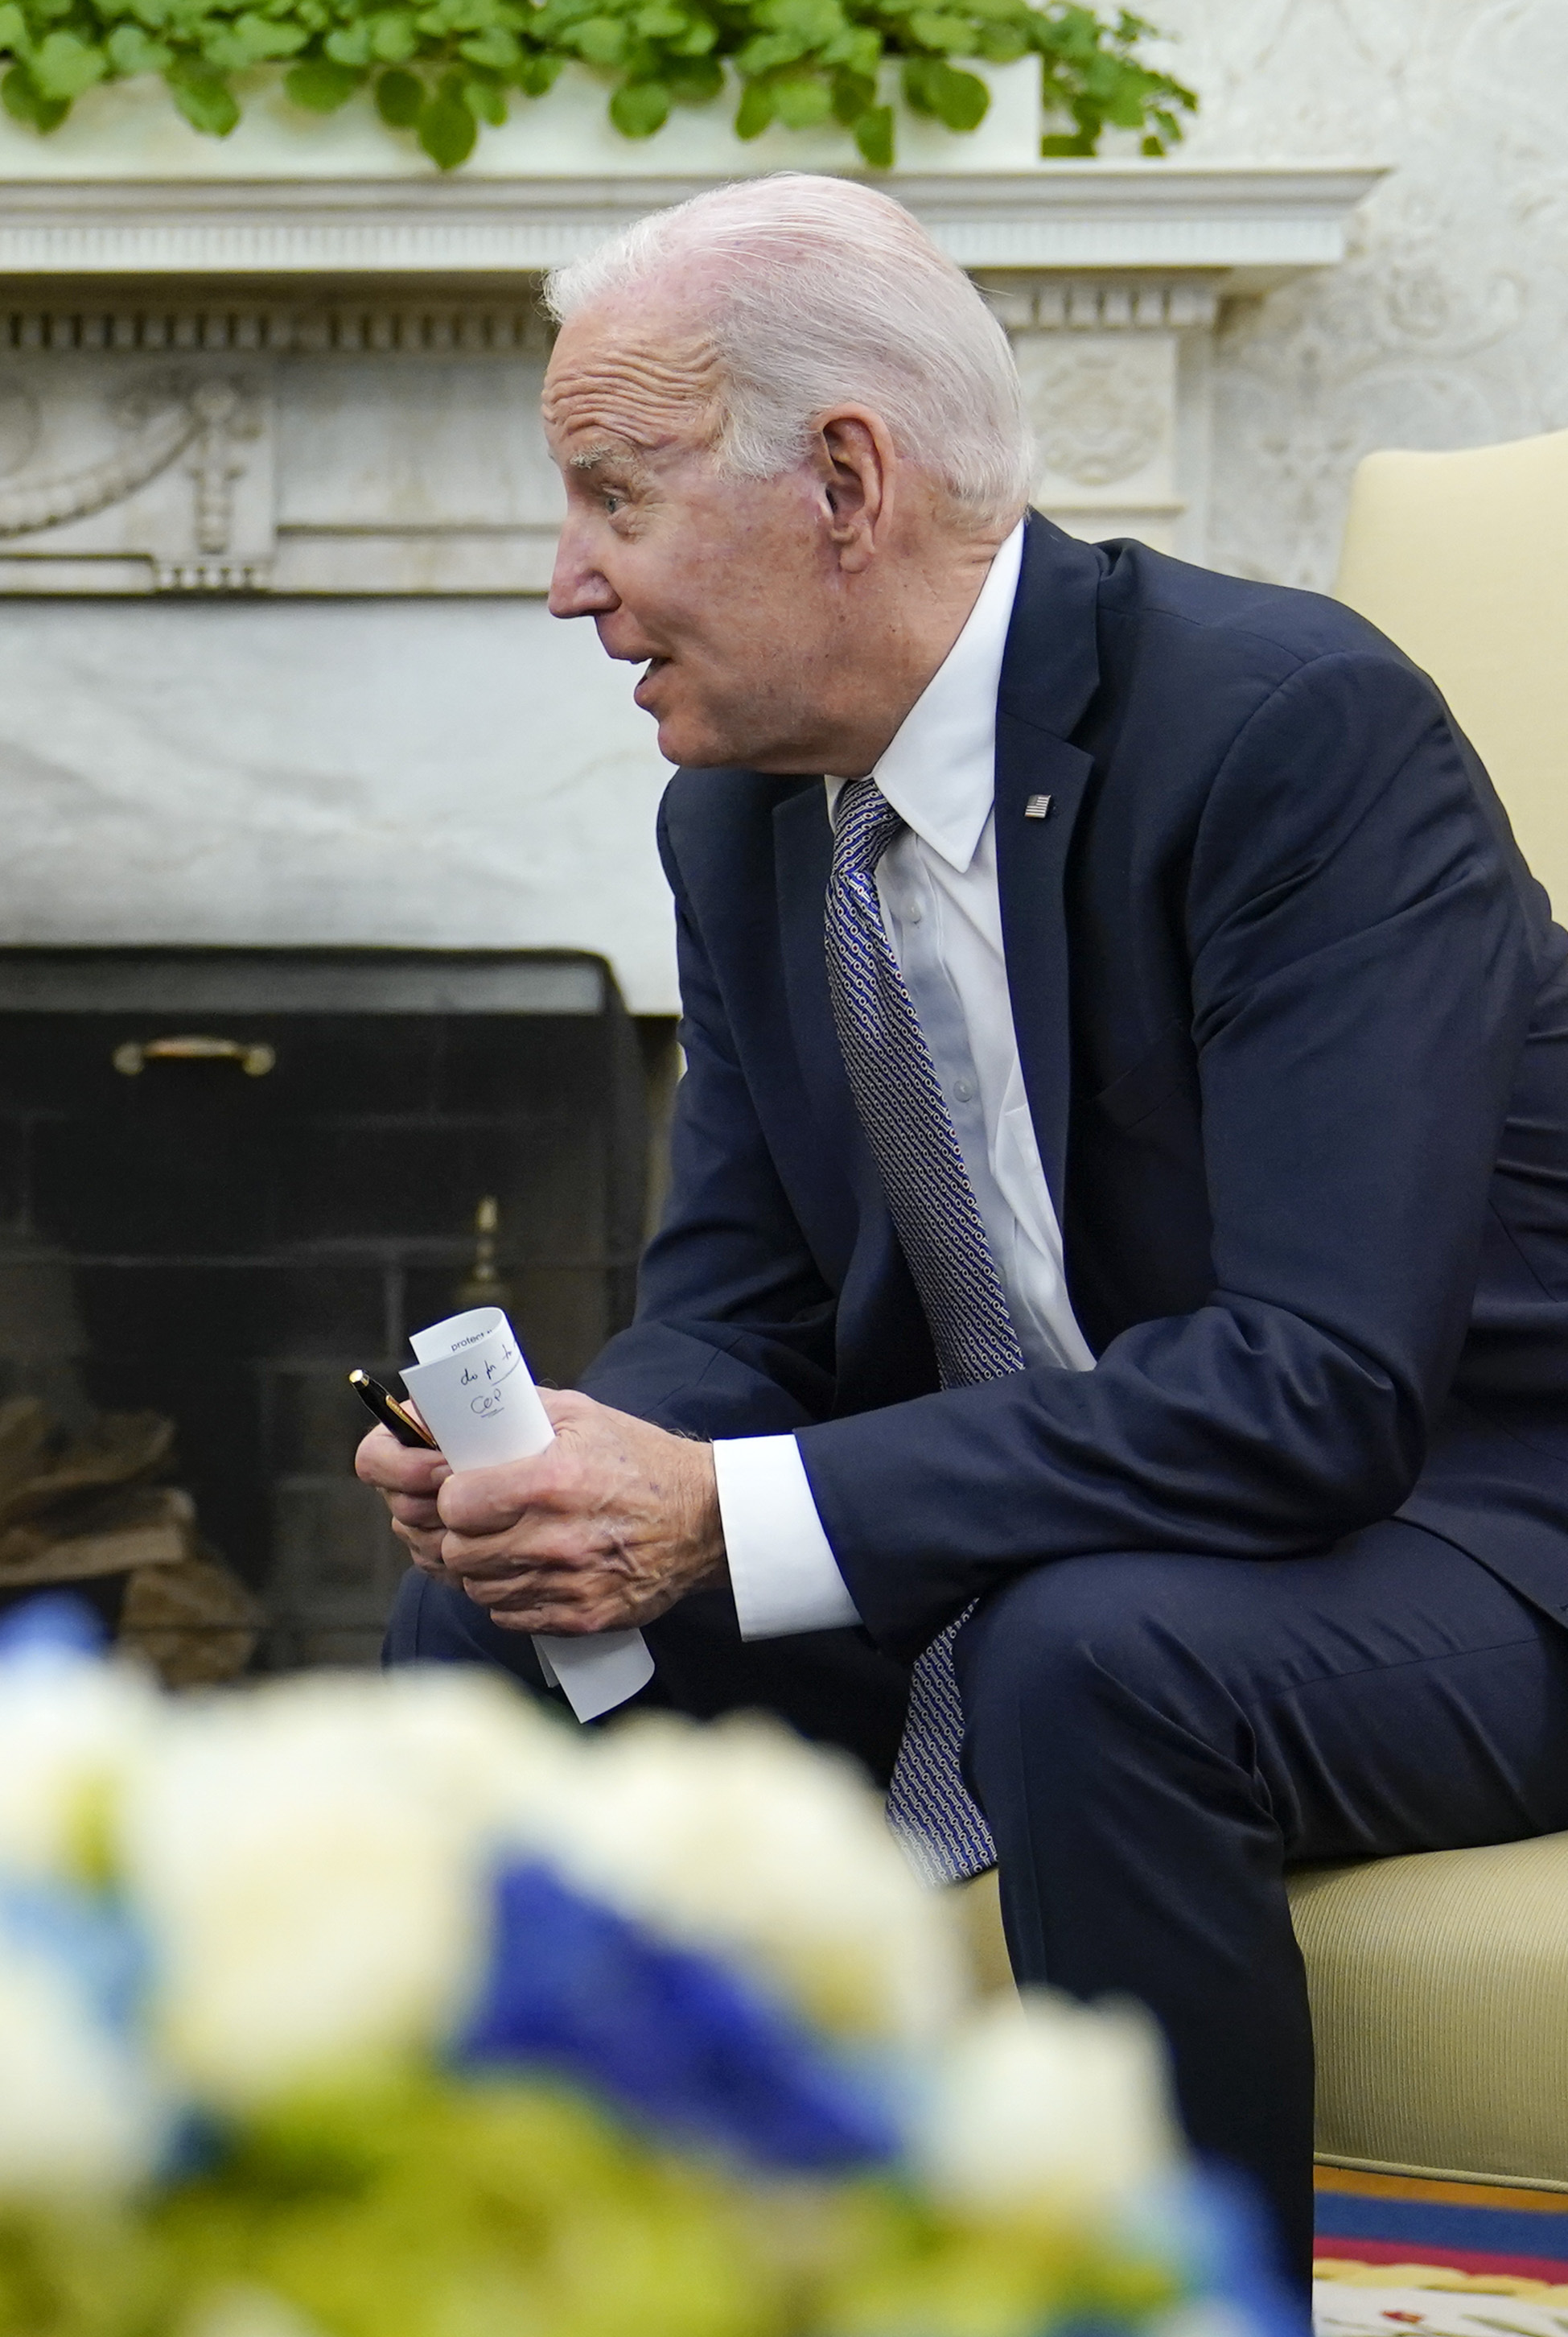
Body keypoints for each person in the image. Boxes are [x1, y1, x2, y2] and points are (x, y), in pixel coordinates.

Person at [362, 173, 1568, 2281]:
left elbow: (1316, 1390)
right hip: (1046, 1534)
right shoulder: (734, 814)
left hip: (1470, 1530)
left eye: (608, 497)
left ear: (843, 478)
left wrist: (727, 1511)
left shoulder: (1283, 732)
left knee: (1097, 1659)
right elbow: (731, 1315)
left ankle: (1166, 2319)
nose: (565, 583)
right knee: (488, 1627)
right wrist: (574, 1473)